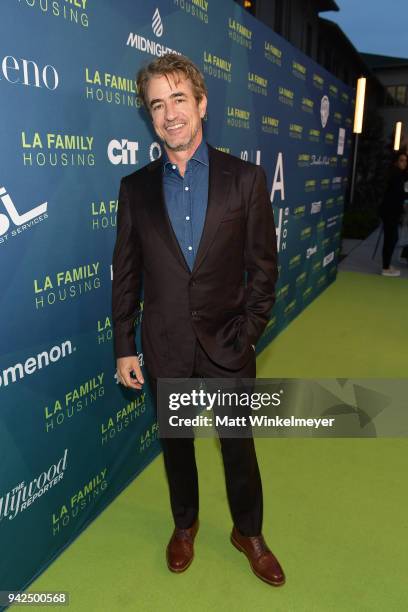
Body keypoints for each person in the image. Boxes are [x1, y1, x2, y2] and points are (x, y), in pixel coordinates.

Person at [112, 53, 284, 586]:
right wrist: (124, 345)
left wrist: (248, 333)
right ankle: (184, 526)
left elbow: (264, 269)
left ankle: (248, 532)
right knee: (177, 450)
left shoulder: (246, 179)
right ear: (150, 116)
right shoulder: (135, 189)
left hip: (228, 346)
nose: (170, 115)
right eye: (157, 105)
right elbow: (127, 275)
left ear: (202, 103)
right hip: (165, 347)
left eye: (179, 99)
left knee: (239, 449)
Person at [379, 151, 408, 276]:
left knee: (392, 238)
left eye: (406, 161)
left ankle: (386, 265)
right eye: (402, 160)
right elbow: (398, 194)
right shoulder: (396, 175)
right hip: (389, 211)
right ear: (396, 161)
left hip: (392, 211)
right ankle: (385, 268)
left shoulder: (399, 174)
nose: (404, 163)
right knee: (391, 239)